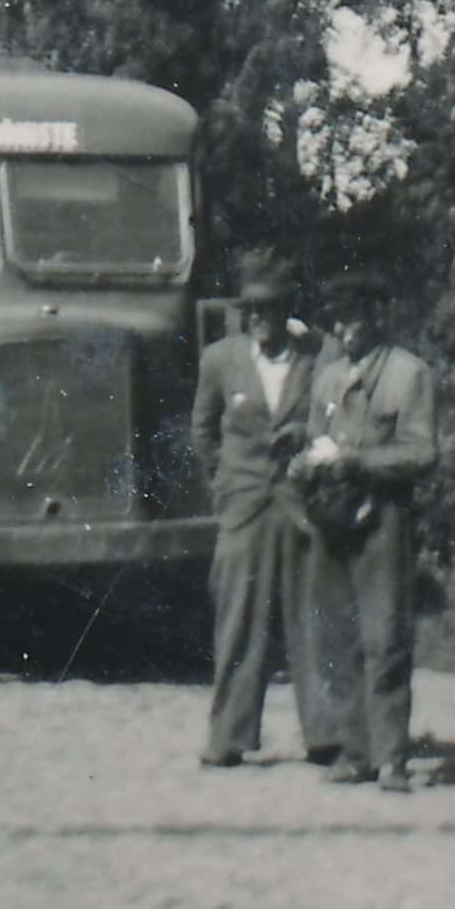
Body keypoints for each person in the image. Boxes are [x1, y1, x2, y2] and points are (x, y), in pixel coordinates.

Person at [300, 272, 444, 793]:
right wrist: (308, 462)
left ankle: (392, 760)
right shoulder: (328, 377)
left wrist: (354, 461)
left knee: (385, 640)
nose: (345, 330)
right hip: (332, 523)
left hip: (384, 522)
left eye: (354, 319)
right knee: (335, 638)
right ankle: (354, 751)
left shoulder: (409, 375)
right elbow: (315, 436)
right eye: (336, 321)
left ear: (376, 319)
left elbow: (422, 453)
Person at [193, 252, 338, 768]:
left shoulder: (317, 355)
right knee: (237, 620)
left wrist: (307, 442)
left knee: (312, 617)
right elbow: (203, 432)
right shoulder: (219, 360)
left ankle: (325, 734)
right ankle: (228, 737)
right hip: (243, 506)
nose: (258, 318)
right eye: (250, 308)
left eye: (269, 308)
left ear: (286, 310)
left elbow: (334, 420)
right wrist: (227, 485)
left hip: (299, 503)